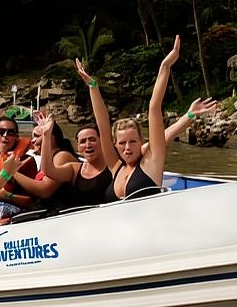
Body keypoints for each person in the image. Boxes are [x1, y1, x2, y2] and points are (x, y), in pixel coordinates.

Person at [76, 35, 217, 201]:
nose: (127, 148)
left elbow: (154, 107)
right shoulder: (116, 166)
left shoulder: (151, 162)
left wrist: (165, 66)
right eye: (122, 143)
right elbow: (103, 125)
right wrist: (93, 87)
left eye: (133, 142)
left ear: (141, 141)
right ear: (115, 145)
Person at [37, 115, 111, 209]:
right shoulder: (74, 169)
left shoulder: (113, 166)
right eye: (83, 141)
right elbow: (47, 170)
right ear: (78, 147)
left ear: (101, 142)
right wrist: (46, 135)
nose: (88, 145)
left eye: (92, 140)